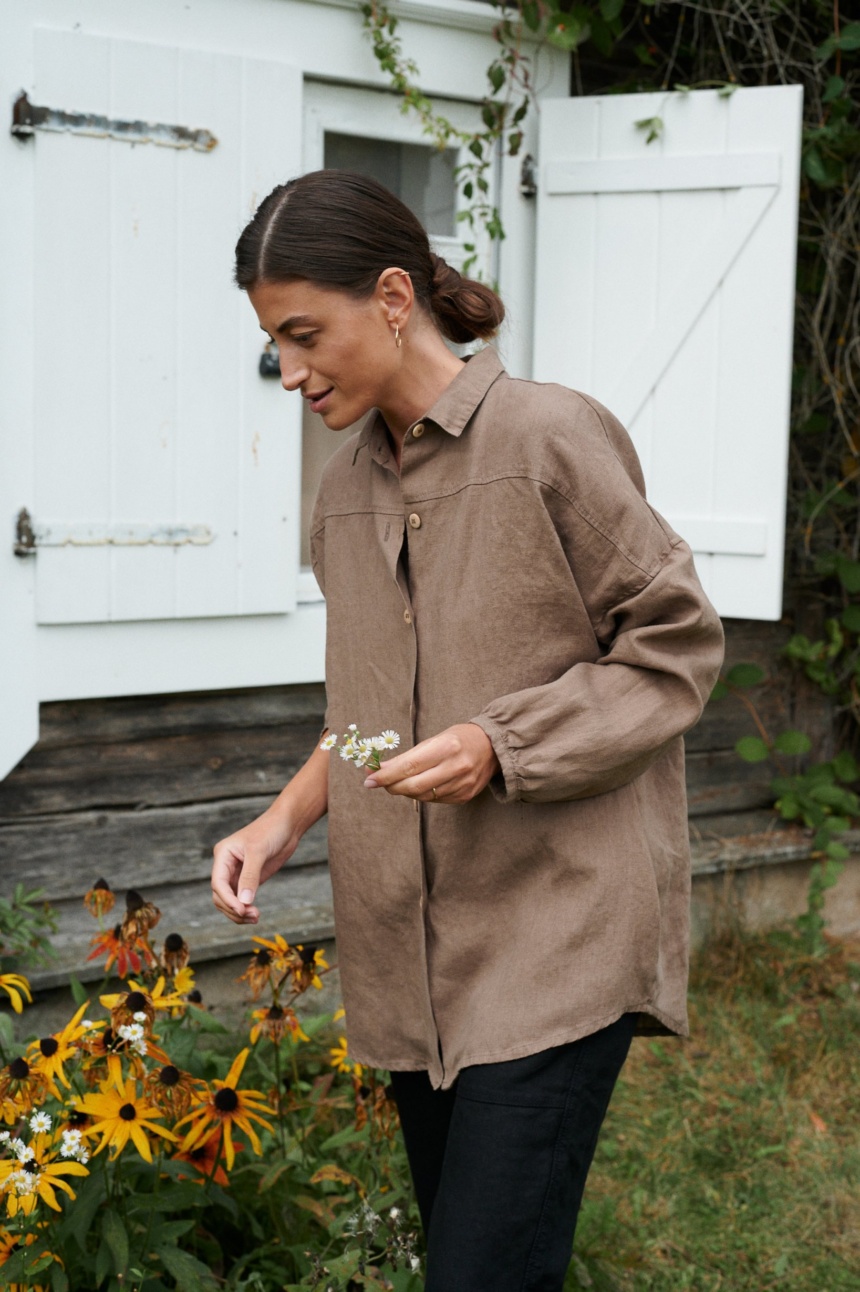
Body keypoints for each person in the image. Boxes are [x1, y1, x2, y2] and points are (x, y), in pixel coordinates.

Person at [211, 169, 725, 1291]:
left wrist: (503, 742)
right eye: (274, 344)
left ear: (393, 296)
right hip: (406, 959)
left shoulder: (547, 438)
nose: (289, 372)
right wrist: (282, 816)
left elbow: (673, 645)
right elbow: (363, 715)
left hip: (554, 936)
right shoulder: (342, 497)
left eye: (305, 335)